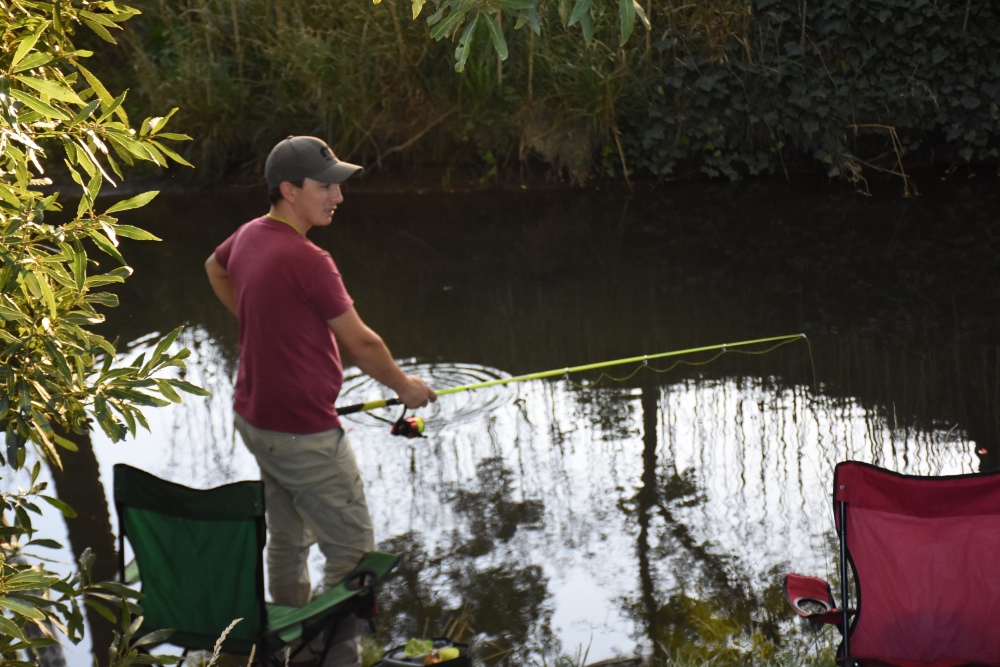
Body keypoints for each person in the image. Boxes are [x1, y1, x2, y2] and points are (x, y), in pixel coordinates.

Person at [205, 135, 437, 666]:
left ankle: (289, 639)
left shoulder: (248, 236)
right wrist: (405, 387)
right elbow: (362, 343)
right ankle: (326, 652)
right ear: (290, 189)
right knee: (354, 553)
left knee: (287, 537)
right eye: (326, 187)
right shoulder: (309, 260)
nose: (337, 197)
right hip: (304, 434)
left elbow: (214, 269)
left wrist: (257, 319)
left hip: (257, 420)